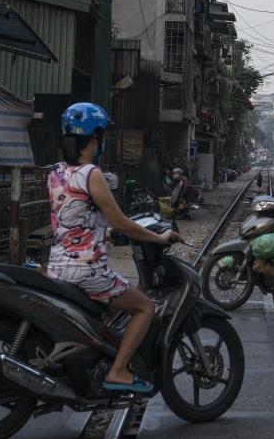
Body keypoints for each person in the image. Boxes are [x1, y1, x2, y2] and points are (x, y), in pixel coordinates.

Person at [47, 102, 179, 394]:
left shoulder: (56, 173)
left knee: (109, 316)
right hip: (86, 270)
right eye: (102, 135)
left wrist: (100, 232)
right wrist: (157, 238)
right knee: (145, 307)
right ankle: (118, 371)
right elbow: (120, 221)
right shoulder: (91, 173)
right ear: (95, 138)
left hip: (57, 267)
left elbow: (75, 216)